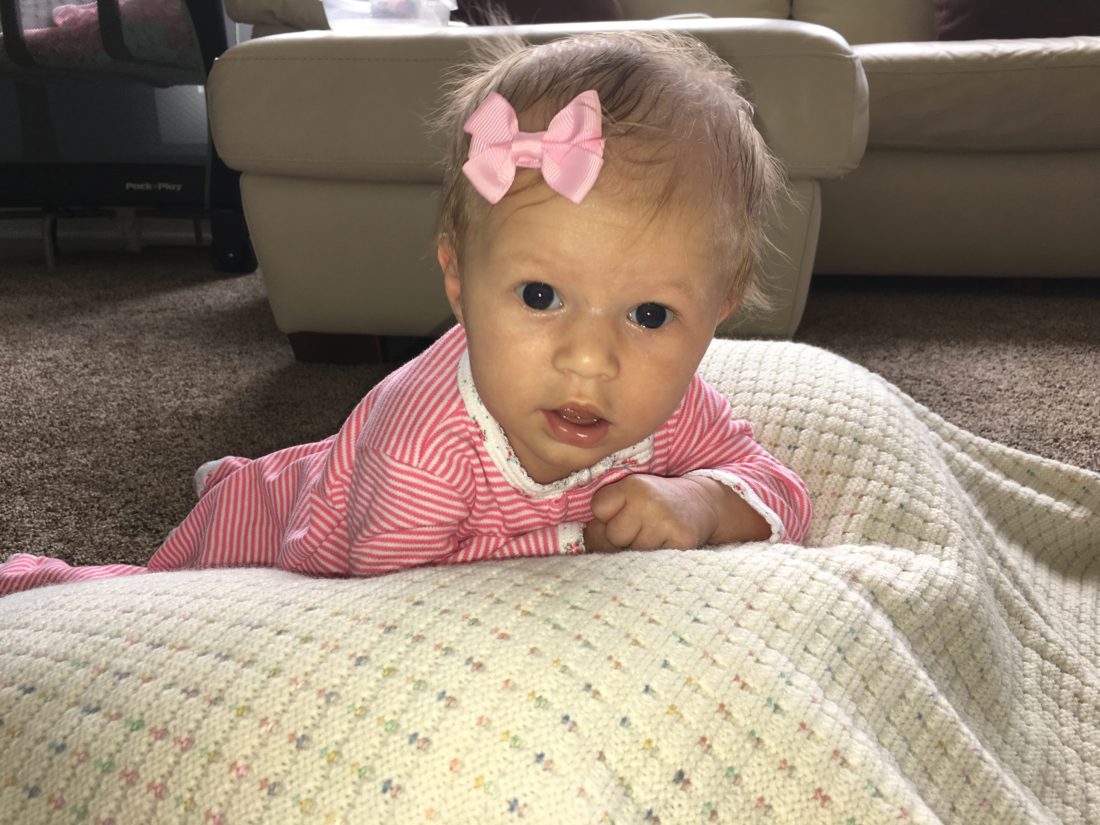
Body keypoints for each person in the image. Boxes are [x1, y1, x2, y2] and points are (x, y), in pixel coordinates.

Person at [0, 29, 811, 596]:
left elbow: (779, 487)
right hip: (281, 536)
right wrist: (576, 547)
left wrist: (704, 503)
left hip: (346, 472)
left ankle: (266, 467)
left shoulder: (681, 408)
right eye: (540, 296)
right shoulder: (423, 455)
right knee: (153, 599)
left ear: (718, 311)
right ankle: (52, 578)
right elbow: (395, 612)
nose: (590, 360)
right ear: (457, 279)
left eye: (650, 314)